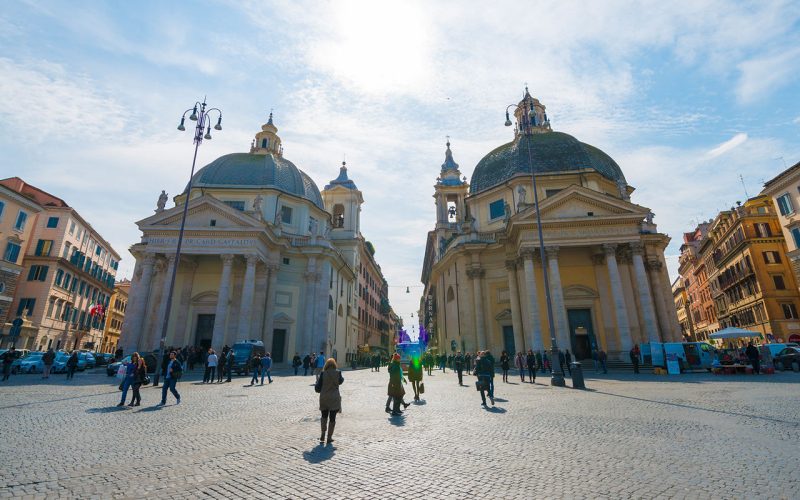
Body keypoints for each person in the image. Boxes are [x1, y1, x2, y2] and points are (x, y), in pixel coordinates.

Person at [316, 357, 343, 445]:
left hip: (324, 397)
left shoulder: (323, 374)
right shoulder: (338, 373)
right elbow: (341, 381)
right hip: (334, 397)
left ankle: (322, 435)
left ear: (326, 365)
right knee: (332, 418)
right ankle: (329, 437)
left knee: (324, 416)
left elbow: (318, 387)